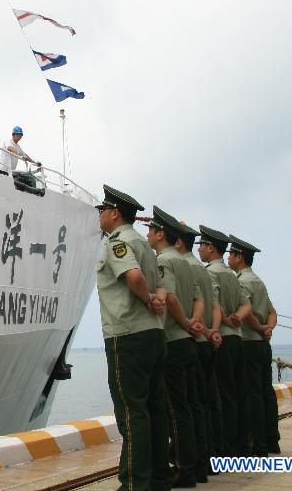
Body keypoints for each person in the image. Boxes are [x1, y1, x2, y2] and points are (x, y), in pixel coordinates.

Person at [95, 185, 171, 491]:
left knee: (131, 412)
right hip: (153, 334)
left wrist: (146, 298)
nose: (99, 215)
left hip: (126, 335)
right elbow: (163, 286)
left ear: (115, 213)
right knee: (154, 409)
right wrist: (155, 300)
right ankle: (158, 479)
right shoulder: (144, 244)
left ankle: (134, 484)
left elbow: (135, 278)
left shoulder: (119, 243)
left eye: (102, 210)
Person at [145, 207, 207, 487]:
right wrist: (195, 322)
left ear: (161, 233)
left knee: (176, 410)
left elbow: (168, 298)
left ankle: (184, 469)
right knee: (193, 406)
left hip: (172, 339)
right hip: (190, 342)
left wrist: (184, 323)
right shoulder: (185, 262)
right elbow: (199, 298)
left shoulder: (163, 262)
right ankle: (199, 466)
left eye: (151, 229)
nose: (147, 234)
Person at [199, 225, 252, 458]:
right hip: (238, 340)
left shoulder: (210, 273)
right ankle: (242, 445)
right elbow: (246, 304)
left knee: (220, 395)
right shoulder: (230, 275)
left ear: (211, 248)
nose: (199, 250)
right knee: (238, 394)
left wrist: (224, 323)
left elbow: (214, 302)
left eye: (201, 245)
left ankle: (225, 448)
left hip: (219, 338)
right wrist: (237, 318)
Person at [177, 222, 224, 473]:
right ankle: (211, 458)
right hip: (207, 340)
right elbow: (213, 305)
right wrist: (213, 331)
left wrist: (204, 331)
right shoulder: (204, 271)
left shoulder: (182, 266)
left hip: (192, 338)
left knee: (188, 404)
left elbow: (187, 305)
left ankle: (193, 462)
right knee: (206, 401)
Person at [229, 235, 280, 456]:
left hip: (249, 342)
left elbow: (246, 309)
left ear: (240, 257)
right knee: (266, 393)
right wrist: (268, 329)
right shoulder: (258, 281)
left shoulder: (241, 281)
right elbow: (272, 312)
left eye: (231, 254)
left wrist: (260, 328)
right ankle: (271, 440)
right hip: (262, 345)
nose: (228, 258)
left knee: (252, 396)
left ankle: (256, 444)